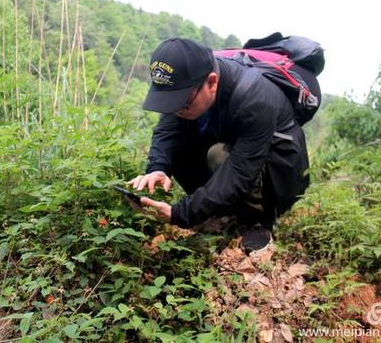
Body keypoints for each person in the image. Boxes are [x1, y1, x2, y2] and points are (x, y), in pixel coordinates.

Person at [129, 37, 312, 253]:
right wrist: (157, 168)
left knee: (219, 155)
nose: (177, 110)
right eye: (171, 102)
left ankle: (258, 221)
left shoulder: (256, 99)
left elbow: (240, 170)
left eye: (183, 103)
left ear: (212, 82)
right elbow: (167, 130)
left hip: (279, 172)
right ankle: (221, 212)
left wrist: (181, 214)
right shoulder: (188, 85)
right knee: (178, 145)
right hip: (237, 149)